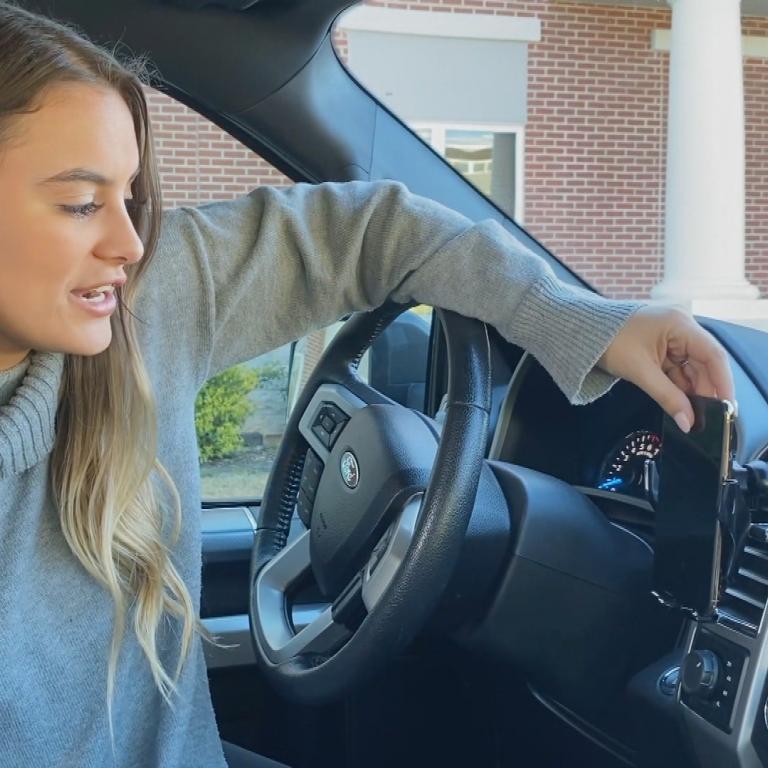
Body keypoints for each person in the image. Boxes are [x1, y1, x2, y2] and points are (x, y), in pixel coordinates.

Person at [0, 3, 734, 768]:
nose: (128, 242)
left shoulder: (152, 297)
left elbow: (376, 230)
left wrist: (584, 321)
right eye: (81, 203)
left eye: (129, 197)